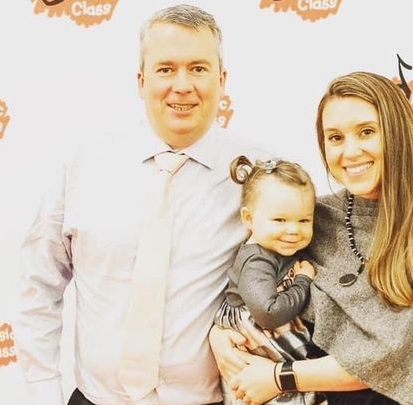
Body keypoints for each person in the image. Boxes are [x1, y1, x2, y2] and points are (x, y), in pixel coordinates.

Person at [14, 5, 269, 405]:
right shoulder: (83, 166)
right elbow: (39, 285)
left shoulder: (261, 178)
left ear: (222, 81)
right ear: (141, 80)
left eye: (198, 69)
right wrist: (43, 391)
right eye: (166, 69)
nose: (182, 86)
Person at [210, 71, 413, 405]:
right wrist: (219, 335)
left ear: (398, 133)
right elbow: (256, 289)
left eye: (366, 132)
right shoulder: (312, 220)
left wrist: (280, 377)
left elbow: (398, 356)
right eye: (335, 137)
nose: (350, 152)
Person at [215, 156, 320, 405]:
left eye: (304, 220)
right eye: (280, 220)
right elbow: (269, 314)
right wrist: (303, 281)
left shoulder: (277, 247)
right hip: (261, 341)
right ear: (248, 218)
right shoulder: (257, 261)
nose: (293, 230)